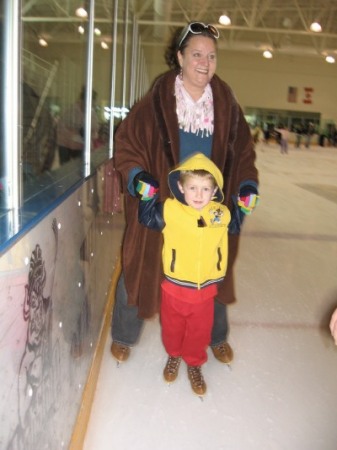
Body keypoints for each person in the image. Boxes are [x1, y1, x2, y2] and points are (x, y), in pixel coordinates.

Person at [110, 21, 259, 367]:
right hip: (164, 203)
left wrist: (246, 185)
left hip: (210, 205)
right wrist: (137, 177)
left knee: (213, 270)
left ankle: (216, 336)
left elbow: (245, 153)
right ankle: (124, 333)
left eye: (211, 55)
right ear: (179, 57)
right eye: (196, 54)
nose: (205, 62)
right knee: (140, 264)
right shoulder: (156, 102)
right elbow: (127, 144)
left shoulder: (226, 105)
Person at [138, 153, 231, 395]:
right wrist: (148, 195)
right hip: (174, 288)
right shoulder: (171, 210)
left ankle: (194, 364)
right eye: (193, 188)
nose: (199, 195)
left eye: (205, 189)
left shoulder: (220, 214)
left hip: (205, 291)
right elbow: (147, 218)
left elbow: (235, 224)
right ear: (181, 187)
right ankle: (174, 356)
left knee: (199, 332)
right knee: (172, 328)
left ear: (214, 191)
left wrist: (245, 203)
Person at [57, 86, 98, 164]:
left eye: (92, 103)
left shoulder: (92, 115)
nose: (90, 106)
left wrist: (89, 134)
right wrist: (75, 134)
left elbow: (95, 131)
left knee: (80, 168)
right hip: (65, 145)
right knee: (65, 168)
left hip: (81, 145)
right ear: (82, 101)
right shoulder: (71, 111)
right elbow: (62, 129)